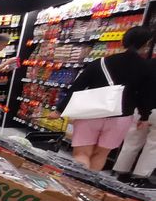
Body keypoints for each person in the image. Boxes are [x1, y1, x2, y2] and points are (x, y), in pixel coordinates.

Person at [54, 26, 153, 171]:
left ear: (123, 41)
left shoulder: (101, 63)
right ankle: (88, 189)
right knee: (101, 155)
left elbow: (77, 87)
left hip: (91, 114)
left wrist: (59, 110)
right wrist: (144, 117)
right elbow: (145, 95)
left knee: (82, 153)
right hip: (121, 117)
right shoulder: (146, 68)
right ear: (146, 44)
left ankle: (74, 186)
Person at [111, 56, 156, 188]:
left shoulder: (147, 64)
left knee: (132, 140)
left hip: (139, 108)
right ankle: (140, 177)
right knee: (153, 145)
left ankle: (122, 172)